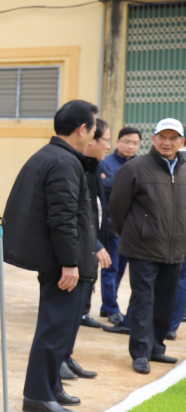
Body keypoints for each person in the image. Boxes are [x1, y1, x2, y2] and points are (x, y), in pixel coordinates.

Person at [3, 100, 103, 412]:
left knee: (59, 327)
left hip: (59, 260)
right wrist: (70, 263)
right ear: (82, 129)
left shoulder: (55, 156)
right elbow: (62, 218)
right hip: (60, 264)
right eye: (94, 129)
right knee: (53, 328)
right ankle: (36, 394)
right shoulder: (63, 162)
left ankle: (51, 386)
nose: (95, 137)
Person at [107, 118, 186, 374]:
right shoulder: (135, 168)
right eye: (162, 136)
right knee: (143, 300)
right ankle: (140, 353)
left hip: (175, 249)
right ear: (153, 140)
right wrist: (134, 233)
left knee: (166, 300)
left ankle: (156, 347)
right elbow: (117, 209)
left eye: (173, 137)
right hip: (142, 249)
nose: (167, 142)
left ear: (182, 142)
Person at [100, 127, 142, 333]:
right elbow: (106, 190)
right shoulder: (106, 164)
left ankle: (106, 305)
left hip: (129, 228)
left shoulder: (138, 165)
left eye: (135, 143)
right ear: (117, 141)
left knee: (121, 268)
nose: (130, 146)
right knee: (111, 268)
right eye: (127, 142)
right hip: (110, 225)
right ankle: (111, 307)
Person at [79, 119, 113, 333]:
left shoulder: (96, 167)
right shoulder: (77, 168)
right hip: (83, 241)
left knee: (90, 277)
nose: (109, 146)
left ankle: (83, 311)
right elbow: (79, 214)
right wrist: (96, 242)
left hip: (94, 237)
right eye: (107, 140)